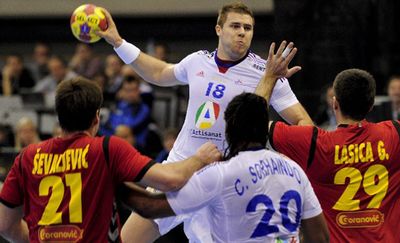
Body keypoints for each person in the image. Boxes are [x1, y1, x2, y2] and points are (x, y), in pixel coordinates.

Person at [97, 2, 311, 241]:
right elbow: (158, 73)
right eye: (235, 26)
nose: (242, 32)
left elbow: (304, 122)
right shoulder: (197, 61)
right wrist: (118, 43)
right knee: (126, 239)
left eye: (248, 28)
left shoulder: (268, 72)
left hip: (224, 181)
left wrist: (286, 154)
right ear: (218, 29)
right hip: (179, 170)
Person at [0, 77, 221, 242]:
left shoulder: (27, 157)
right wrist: (199, 158)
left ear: (59, 117)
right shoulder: (105, 148)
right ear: (97, 117)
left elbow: (5, 225)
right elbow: (170, 180)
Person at [120, 93, 329, 243]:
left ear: (229, 130)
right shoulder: (294, 171)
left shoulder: (220, 174)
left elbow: (149, 207)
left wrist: (112, 178)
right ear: (266, 129)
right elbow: (320, 237)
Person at [257, 68, 400, 242]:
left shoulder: (315, 144)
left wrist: (270, 77)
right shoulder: (398, 136)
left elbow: (251, 121)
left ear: (334, 104)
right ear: (371, 104)